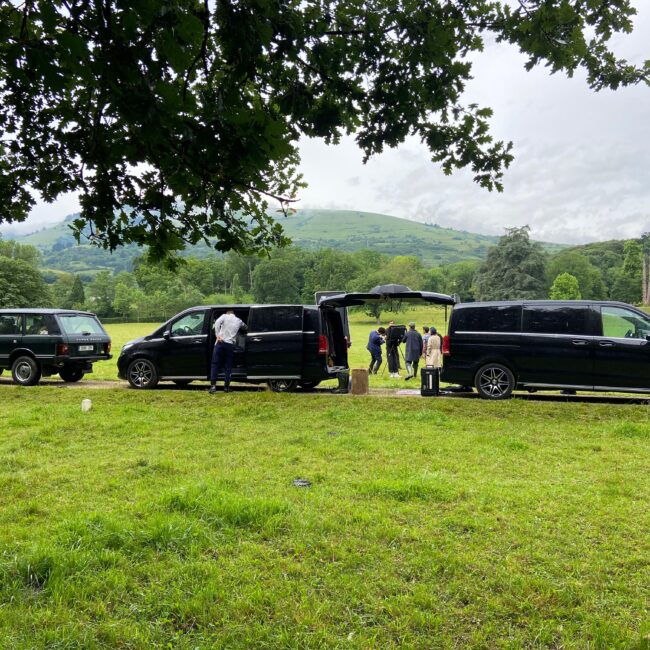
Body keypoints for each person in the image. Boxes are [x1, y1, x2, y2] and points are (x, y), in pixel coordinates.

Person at [209, 309, 246, 393]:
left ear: (227, 313)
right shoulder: (239, 321)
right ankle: (226, 387)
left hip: (220, 343)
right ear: (234, 314)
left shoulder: (224, 316)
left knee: (215, 364)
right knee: (228, 366)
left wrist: (217, 335)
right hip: (229, 345)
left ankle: (213, 386)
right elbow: (245, 327)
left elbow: (217, 322)